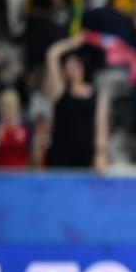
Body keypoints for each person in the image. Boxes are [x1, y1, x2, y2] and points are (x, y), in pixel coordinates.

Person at [43, 34, 108, 170]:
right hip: (61, 154)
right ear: (64, 71)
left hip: (87, 154)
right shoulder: (60, 91)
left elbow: (101, 126)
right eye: (69, 67)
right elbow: (52, 54)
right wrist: (71, 43)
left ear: (83, 66)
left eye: (76, 65)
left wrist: (101, 153)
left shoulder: (96, 94)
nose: (74, 69)